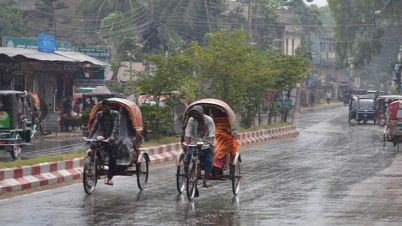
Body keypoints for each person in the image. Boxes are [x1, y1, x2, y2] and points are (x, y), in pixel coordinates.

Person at [87, 100, 120, 186]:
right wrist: (89, 137)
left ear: (110, 107)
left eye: (106, 107)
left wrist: (112, 136)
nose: (104, 109)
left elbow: (116, 126)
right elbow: (95, 125)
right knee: (94, 147)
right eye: (103, 107)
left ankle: (109, 178)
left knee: (112, 157)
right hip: (102, 136)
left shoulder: (115, 114)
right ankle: (97, 166)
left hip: (113, 138)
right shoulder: (99, 114)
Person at [184, 105, 216, 188]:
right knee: (189, 155)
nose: (196, 116)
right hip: (195, 141)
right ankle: (191, 170)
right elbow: (188, 131)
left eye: (197, 114)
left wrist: (210, 141)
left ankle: (205, 181)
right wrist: (187, 141)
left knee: (208, 162)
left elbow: (212, 132)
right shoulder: (191, 120)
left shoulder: (209, 120)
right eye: (194, 114)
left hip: (206, 142)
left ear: (201, 113)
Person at [211, 108, 239, 175]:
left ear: (218, 111)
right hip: (212, 135)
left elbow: (231, 128)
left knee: (218, 148)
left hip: (223, 136)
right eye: (212, 111)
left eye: (215, 111)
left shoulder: (225, 119)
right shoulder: (210, 120)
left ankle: (217, 165)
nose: (214, 113)